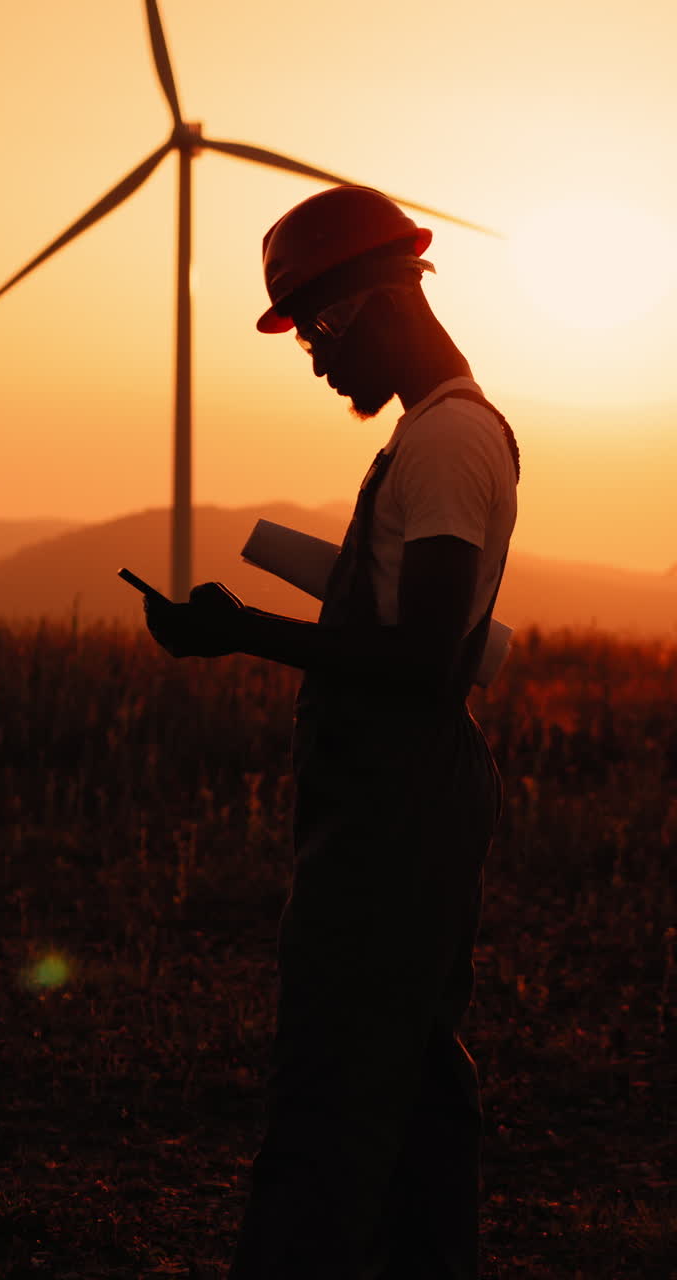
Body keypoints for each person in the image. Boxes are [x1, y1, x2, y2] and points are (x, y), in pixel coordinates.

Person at [144, 185, 520, 1280]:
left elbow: (421, 659)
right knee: (416, 1096)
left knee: (328, 1099)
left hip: (395, 820)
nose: (313, 355)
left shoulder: (446, 441)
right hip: (407, 807)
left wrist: (237, 629)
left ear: (368, 300)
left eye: (314, 324)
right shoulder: (439, 433)